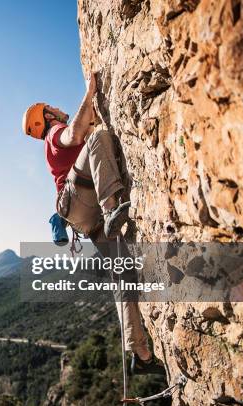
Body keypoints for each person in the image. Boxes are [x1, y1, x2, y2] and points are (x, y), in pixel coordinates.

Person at [22, 73, 164, 375]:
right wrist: (90, 92)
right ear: (46, 116)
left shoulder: (53, 142)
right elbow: (75, 133)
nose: (58, 108)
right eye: (52, 108)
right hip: (83, 200)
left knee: (122, 270)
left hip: (81, 213)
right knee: (100, 136)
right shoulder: (54, 132)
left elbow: (80, 131)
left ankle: (139, 351)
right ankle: (112, 206)